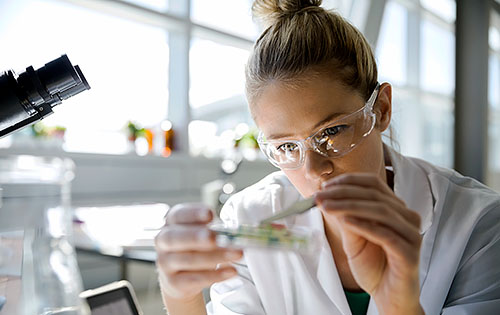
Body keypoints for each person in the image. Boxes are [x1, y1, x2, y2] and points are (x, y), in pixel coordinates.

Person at [154, 1, 500, 314]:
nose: (315, 169)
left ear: (380, 109)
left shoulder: (479, 226)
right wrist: (181, 298)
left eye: (331, 132)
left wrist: (400, 307)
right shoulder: (250, 218)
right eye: (287, 147)